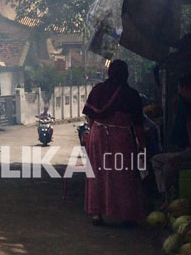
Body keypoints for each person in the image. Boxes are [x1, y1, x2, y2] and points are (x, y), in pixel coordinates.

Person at [82, 59, 146, 226]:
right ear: (126, 74)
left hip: (98, 136)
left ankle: (96, 214)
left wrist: (95, 132)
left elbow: (90, 117)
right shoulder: (131, 94)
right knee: (123, 175)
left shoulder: (97, 90)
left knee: (98, 173)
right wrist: (142, 144)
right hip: (121, 139)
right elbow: (138, 124)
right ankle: (126, 216)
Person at [150, 73, 191, 196]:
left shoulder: (184, 105)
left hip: (187, 152)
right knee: (159, 161)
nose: (179, 93)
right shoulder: (183, 105)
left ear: (186, 89)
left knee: (164, 165)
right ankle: (166, 197)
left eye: (180, 89)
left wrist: (182, 156)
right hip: (186, 150)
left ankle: (167, 198)